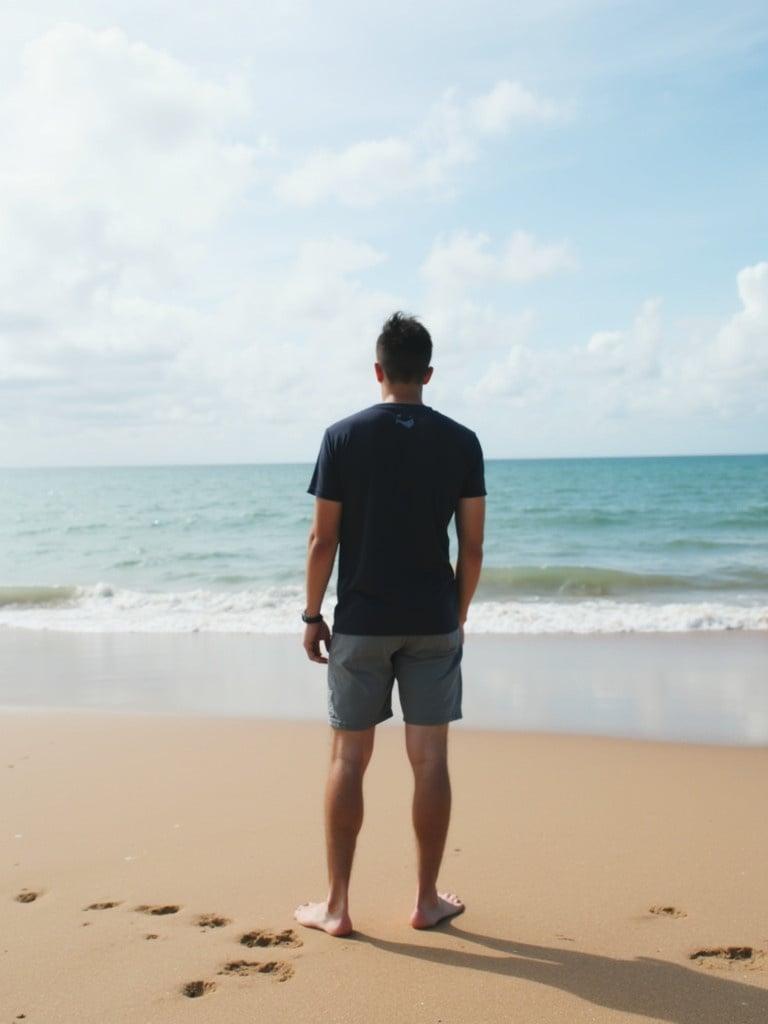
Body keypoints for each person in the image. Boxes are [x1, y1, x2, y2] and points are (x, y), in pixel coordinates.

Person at [295, 311, 486, 937]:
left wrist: (311, 613)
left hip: (362, 621)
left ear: (377, 370)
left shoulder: (342, 437)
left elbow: (324, 539)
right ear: (427, 374)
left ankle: (338, 906)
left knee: (349, 759)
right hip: (432, 620)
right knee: (430, 761)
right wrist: (454, 616)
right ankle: (427, 900)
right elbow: (473, 548)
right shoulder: (462, 441)